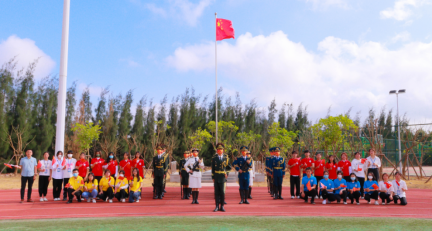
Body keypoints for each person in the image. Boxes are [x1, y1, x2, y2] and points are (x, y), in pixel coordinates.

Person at [211, 143, 232, 212]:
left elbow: (229, 167)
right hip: (216, 176)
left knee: (222, 192)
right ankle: (217, 206)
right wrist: (213, 177)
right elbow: (213, 169)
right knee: (216, 192)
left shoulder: (226, 158)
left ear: (223, 150)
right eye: (218, 149)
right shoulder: (214, 158)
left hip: (222, 176)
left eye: (221, 149)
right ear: (217, 150)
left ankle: (222, 206)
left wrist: (227, 173)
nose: (220, 151)